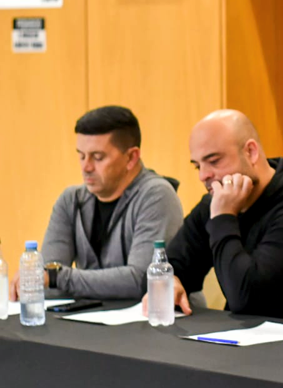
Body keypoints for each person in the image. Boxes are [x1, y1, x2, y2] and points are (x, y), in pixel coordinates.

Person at [147, 110, 283, 322]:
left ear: (251, 152)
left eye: (213, 161)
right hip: (238, 340)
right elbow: (168, 265)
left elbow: (247, 300)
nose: (203, 175)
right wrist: (171, 279)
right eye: (197, 166)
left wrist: (224, 217)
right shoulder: (216, 202)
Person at [10, 105, 183, 300]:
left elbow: (143, 281)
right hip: (93, 321)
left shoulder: (157, 196)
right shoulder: (71, 200)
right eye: (81, 155)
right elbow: (47, 281)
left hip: (158, 323)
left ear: (131, 157)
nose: (86, 167)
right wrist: (47, 278)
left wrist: (58, 277)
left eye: (98, 157)